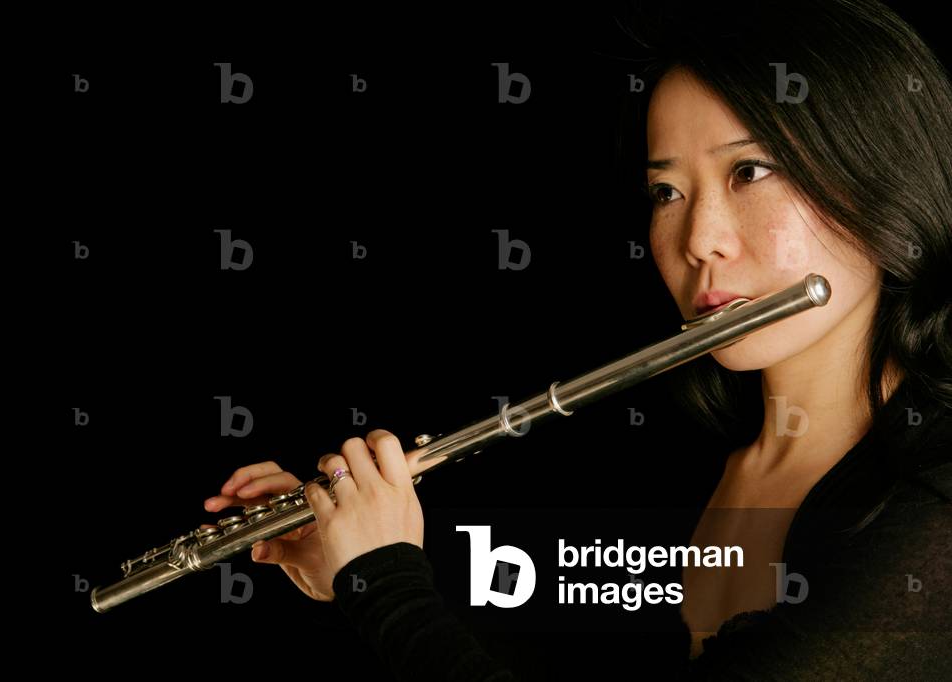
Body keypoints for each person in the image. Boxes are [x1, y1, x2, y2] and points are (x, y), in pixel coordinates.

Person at [203, 0, 952, 678]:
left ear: (876, 182)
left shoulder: (933, 505)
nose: (698, 240)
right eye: (667, 192)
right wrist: (356, 551)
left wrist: (383, 580)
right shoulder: (688, 463)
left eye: (749, 171)